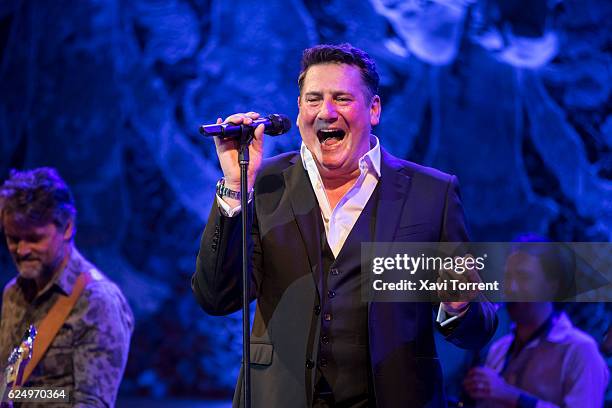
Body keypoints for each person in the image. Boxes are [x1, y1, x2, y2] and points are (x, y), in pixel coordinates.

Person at [192, 43, 497, 407]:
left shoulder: (432, 193)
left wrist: (459, 306)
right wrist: (238, 187)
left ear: (374, 109)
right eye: (313, 99)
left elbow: (477, 329)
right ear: (299, 109)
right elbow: (216, 297)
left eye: (342, 98)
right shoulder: (264, 185)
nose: (327, 112)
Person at [0, 168, 134, 407]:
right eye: (13, 238)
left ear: (67, 227)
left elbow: (91, 402)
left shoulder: (98, 300)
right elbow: (10, 388)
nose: (21, 250)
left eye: (33, 238)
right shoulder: (13, 293)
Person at [463, 234, 609, 407]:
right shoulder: (499, 349)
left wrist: (511, 396)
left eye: (523, 278)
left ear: (552, 287)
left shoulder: (580, 350)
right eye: (508, 278)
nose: (511, 288)